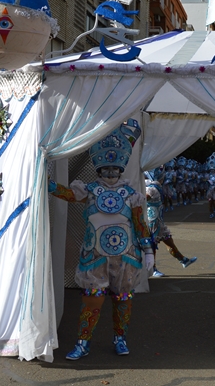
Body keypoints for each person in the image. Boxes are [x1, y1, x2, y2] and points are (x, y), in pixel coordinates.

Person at [47, 119, 154, 360]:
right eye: (106, 169)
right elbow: (67, 194)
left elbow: (140, 224)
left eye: (114, 169)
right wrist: (48, 184)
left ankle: (120, 338)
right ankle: (83, 343)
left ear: (121, 170)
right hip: (95, 258)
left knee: (123, 299)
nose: (110, 173)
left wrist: (148, 251)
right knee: (91, 300)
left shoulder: (131, 195)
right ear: (98, 170)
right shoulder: (90, 190)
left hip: (126, 257)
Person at [145, 181, 197, 277]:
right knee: (152, 246)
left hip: (157, 222)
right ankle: (153, 269)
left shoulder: (153, 187)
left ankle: (183, 260)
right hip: (152, 222)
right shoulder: (152, 187)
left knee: (169, 242)